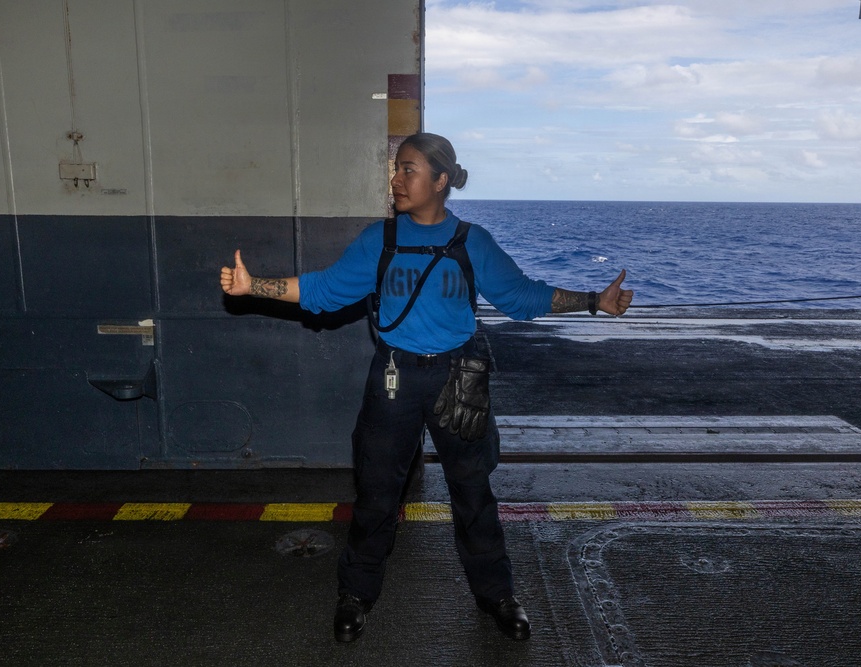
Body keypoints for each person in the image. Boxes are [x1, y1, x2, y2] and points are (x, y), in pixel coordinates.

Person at [220, 133, 632, 643]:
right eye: (396, 169)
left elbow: (521, 296)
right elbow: (323, 292)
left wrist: (595, 301)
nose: (396, 179)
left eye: (408, 170)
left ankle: (497, 595)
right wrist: (252, 286)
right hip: (394, 376)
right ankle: (355, 594)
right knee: (376, 494)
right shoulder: (381, 241)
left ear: (441, 181)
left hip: (458, 379)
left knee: (473, 493)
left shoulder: (471, 243)